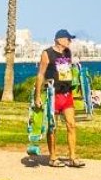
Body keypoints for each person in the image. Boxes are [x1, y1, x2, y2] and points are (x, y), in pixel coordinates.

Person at [33, 30, 84, 167]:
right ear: (59, 40)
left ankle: (72, 157)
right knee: (52, 127)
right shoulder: (47, 53)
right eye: (68, 39)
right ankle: (53, 157)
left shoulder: (68, 53)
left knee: (71, 124)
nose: (70, 42)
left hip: (67, 94)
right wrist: (37, 96)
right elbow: (40, 75)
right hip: (53, 94)